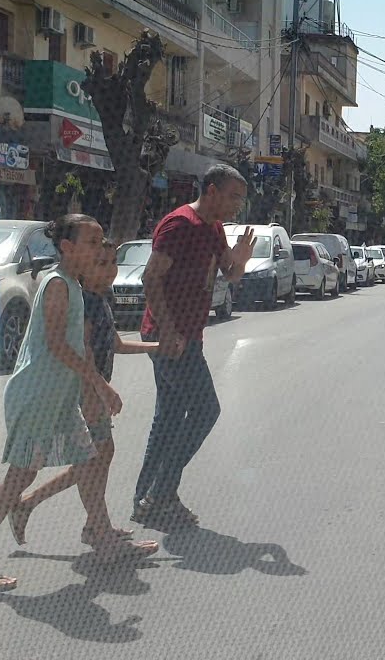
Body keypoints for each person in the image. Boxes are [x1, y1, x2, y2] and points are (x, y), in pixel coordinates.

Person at [0, 215, 155, 594]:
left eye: (100, 242)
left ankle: (103, 536)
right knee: (19, 477)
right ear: (67, 247)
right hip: (39, 393)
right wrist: (99, 384)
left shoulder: (73, 286)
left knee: (91, 459)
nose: (98, 250)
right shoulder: (58, 284)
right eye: (92, 243)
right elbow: (59, 345)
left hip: (57, 396)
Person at [11, 240, 161, 546]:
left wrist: (158, 348)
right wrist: (100, 390)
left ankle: (48, 510)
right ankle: (96, 528)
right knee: (94, 459)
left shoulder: (101, 297)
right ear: (84, 268)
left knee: (94, 458)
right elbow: (86, 350)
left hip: (94, 389)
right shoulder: (84, 301)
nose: (110, 270)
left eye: (112, 262)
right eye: (101, 263)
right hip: (85, 391)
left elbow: (115, 344)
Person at [132, 165, 254, 529]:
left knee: (168, 419)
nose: (237, 207)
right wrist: (167, 332)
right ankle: (161, 493)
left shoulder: (213, 229)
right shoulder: (179, 225)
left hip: (188, 337)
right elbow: (150, 278)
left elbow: (227, 276)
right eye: (233, 197)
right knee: (205, 411)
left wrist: (241, 262)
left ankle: (146, 500)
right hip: (168, 337)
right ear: (212, 190)